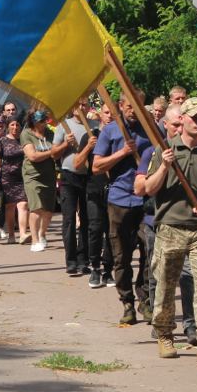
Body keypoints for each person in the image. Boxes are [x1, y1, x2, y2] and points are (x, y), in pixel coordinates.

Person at [135, 98, 197, 359]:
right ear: (182, 121)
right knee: (166, 284)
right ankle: (165, 334)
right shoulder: (163, 150)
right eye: (195, 118)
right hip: (170, 226)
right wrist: (166, 166)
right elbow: (147, 189)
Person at [94, 95, 153, 324]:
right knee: (122, 257)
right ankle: (127, 303)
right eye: (129, 107)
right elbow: (97, 166)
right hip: (119, 200)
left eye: (137, 107)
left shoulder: (150, 128)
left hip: (145, 201)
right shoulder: (110, 131)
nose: (133, 111)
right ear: (120, 106)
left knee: (150, 254)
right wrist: (122, 153)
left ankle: (145, 299)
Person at [55, 99, 97, 276]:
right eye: (78, 104)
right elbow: (53, 153)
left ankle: (83, 259)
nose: (82, 107)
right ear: (73, 108)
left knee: (87, 219)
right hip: (68, 175)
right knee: (69, 219)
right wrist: (65, 143)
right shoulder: (64, 126)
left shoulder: (94, 126)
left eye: (85, 104)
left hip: (88, 176)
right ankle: (70, 261)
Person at [22, 110, 69, 251]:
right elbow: (33, 156)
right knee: (36, 208)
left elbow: (57, 153)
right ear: (33, 121)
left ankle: (42, 234)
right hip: (32, 176)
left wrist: (63, 146)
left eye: (44, 120)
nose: (43, 123)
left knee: (48, 210)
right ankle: (34, 240)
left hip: (49, 174)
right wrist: (52, 152)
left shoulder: (50, 133)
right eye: (40, 121)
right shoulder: (26, 134)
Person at [84, 104, 115, 287]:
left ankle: (108, 270)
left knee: (111, 232)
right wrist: (88, 147)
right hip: (94, 190)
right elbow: (78, 164)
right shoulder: (91, 135)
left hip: (114, 190)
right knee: (95, 229)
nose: (109, 116)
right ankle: (95, 267)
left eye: (112, 113)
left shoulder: (120, 135)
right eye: (106, 112)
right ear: (99, 115)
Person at [0, 115, 30, 243]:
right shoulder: (2, 141)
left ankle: (23, 233)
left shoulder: (24, 140)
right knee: (10, 206)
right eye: (12, 124)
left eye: (17, 125)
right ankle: (12, 236)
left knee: (23, 204)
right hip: (7, 178)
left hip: (22, 177)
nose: (15, 127)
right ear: (8, 126)